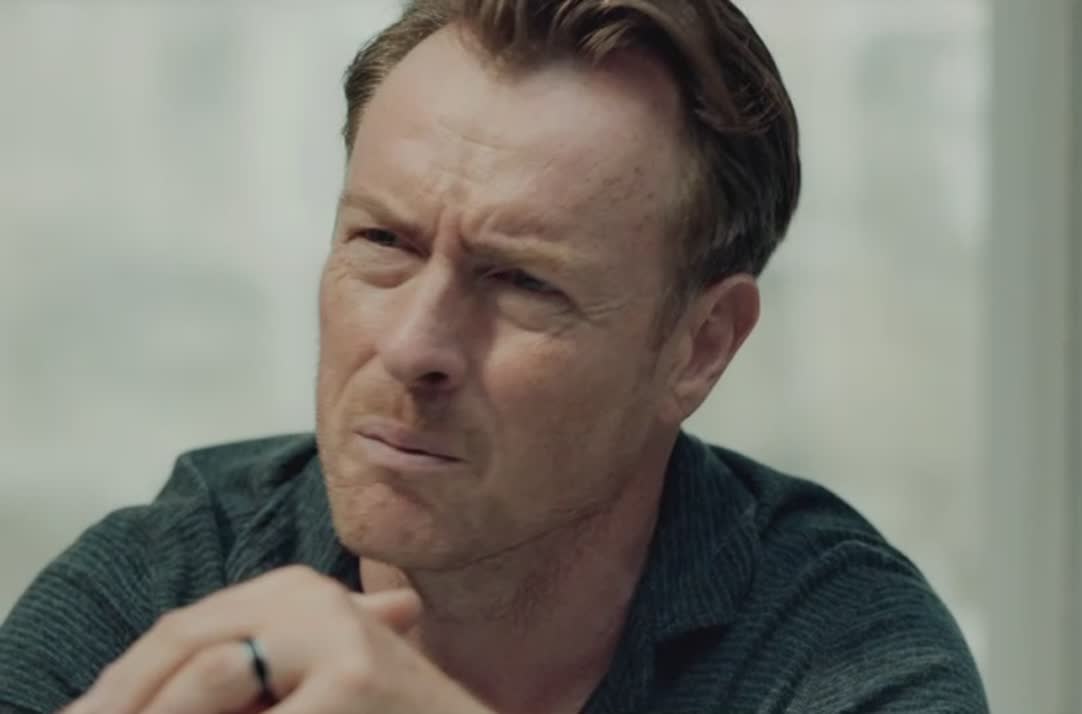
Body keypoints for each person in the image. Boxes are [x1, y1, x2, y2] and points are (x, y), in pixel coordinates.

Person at [0, 1, 987, 712]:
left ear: (700, 346)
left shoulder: (835, 652)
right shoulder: (165, 586)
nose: (411, 346)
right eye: (382, 242)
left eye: (521, 282)